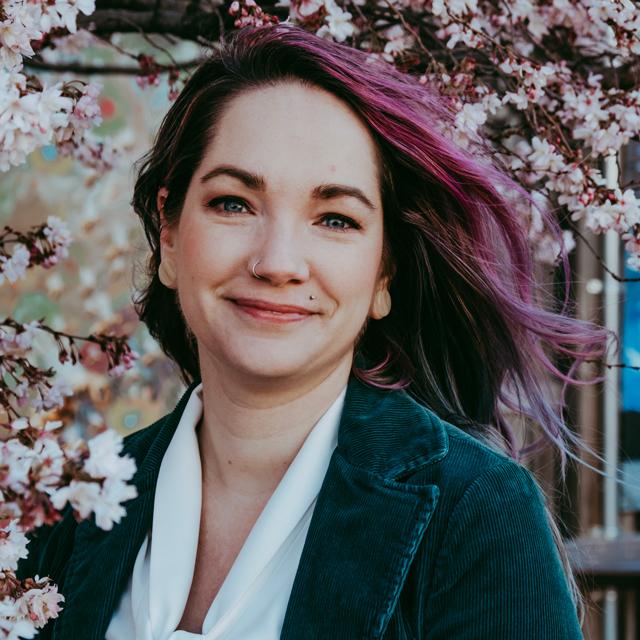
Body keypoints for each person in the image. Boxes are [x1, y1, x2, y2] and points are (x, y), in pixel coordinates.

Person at [18, 23, 610, 639]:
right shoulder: (70, 507)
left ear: (385, 275)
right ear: (168, 235)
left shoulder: (477, 513)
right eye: (233, 203)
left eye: (335, 218)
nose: (277, 261)